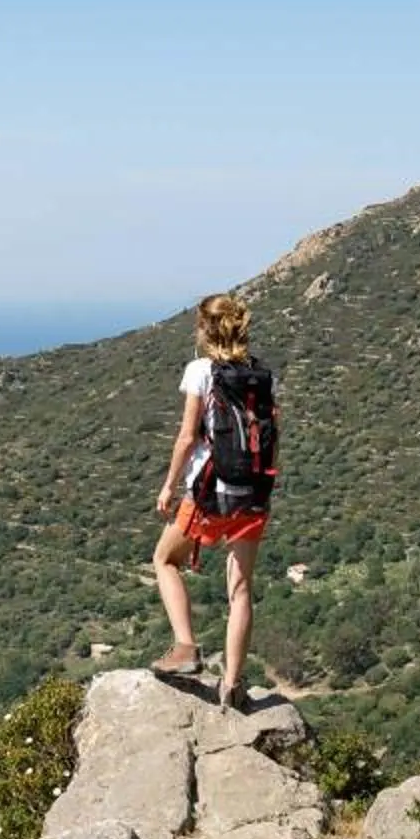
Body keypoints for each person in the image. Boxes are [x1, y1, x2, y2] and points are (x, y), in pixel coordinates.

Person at [150, 292, 269, 707]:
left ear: (206, 328)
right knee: (240, 590)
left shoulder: (201, 370)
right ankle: (232, 685)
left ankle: (185, 648)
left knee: (164, 560)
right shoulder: (260, 374)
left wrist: (170, 485)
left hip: (208, 492)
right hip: (253, 493)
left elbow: (187, 436)